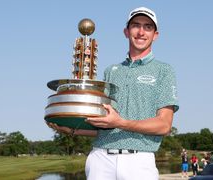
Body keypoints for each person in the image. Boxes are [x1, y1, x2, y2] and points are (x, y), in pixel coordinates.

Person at [47, 6, 179, 180]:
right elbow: (106, 126)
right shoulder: (111, 71)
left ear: (155, 35)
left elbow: (164, 125)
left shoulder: (164, 70)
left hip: (138, 161)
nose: (141, 32)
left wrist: (121, 122)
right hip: (100, 159)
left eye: (148, 27)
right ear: (126, 31)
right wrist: (72, 130)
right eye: (135, 25)